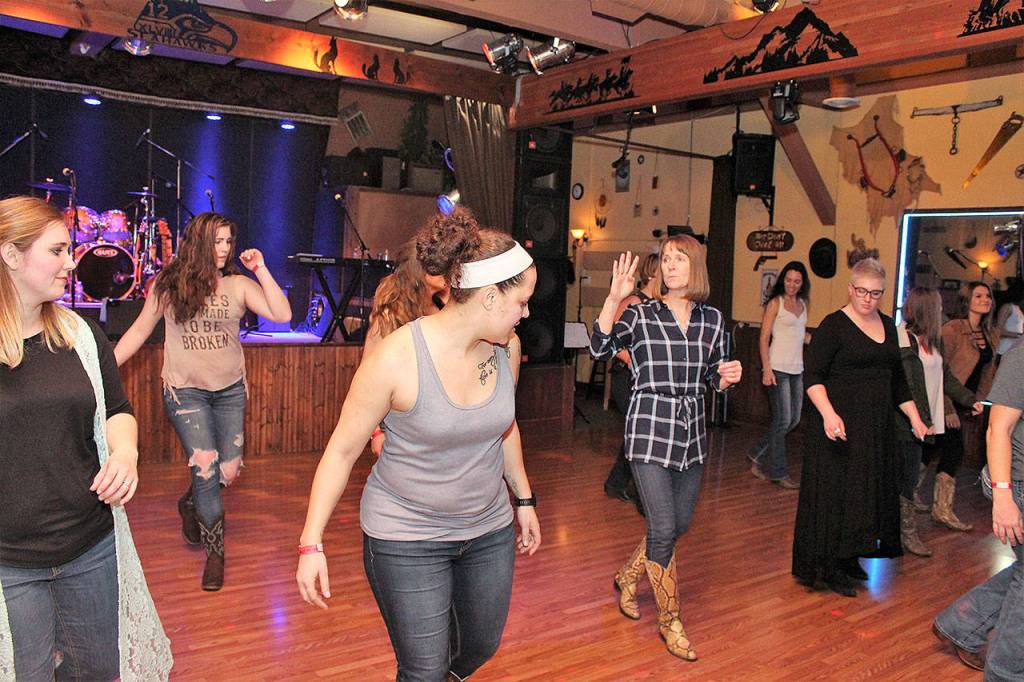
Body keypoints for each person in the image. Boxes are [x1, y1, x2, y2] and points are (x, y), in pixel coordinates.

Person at [296, 208, 541, 682]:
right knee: (424, 669)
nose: (526, 314)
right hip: (406, 536)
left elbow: (503, 428)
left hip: (488, 530)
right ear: (491, 297)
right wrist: (311, 543)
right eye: (522, 302)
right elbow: (341, 452)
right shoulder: (395, 359)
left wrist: (524, 499)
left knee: (480, 646)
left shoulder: (505, 348)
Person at [0, 196, 172, 680]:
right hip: (10, 562)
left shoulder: (80, 334)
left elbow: (117, 410)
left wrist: (126, 452)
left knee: (96, 669)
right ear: (11, 255)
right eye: (56, 251)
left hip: (90, 546)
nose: (71, 263)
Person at [114, 212, 291, 591]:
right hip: (185, 391)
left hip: (229, 391)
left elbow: (282, 314)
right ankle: (215, 554)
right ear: (198, 242)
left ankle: (191, 502)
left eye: (228, 241)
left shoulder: (238, 285)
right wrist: (104, 367)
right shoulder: (169, 284)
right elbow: (141, 330)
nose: (224, 249)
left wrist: (261, 269)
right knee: (206, 468)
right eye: (216, 241)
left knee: (229, 470)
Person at [591, 237, 742, 661]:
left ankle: (629, 575)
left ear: (696, 267)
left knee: (678, 524)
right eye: (667, 260)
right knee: (661, 526)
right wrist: (614, 298)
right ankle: (670, 620)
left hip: (691, 431)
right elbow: (599, 348)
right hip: (648, 426)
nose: (670, 266)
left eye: (680, 259)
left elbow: (714, 376)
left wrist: (727, 377)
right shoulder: (641, 314)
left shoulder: (713, 320)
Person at [792, 258, 929, 597]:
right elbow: (813, 377)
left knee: (865, 494)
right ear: (851, 289)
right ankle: (830, 565)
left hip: (875, 428)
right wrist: (828, 414)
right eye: (862, 291)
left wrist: (915, 418)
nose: (868, 299)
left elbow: (898, 381)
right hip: (838, 426)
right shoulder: (833, 325)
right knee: (838, 494)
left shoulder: (888, 326)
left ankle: (851, 555)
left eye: (876, 293)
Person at [932, 342, 1024, 679]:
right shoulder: (1021, 356)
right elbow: (997, 429)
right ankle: (1005, 672)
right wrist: (1003, 497)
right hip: (1015, 482)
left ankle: (962, 622)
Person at [896, 287, 982, 557]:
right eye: (938, 306)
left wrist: (970, 399)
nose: (942, 310)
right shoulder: (903, 339)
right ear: (927, 309)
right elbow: (905, 385)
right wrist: (918, 418)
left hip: (927, 419)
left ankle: (900, 532)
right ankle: (905, 533)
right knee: (905, 478)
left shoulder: (933, 341)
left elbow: (946, 378)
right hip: (906, 422)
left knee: (909, 476)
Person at [920, 281, 998, 532]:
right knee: (953, 450)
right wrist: (947, 409)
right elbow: (939, 371)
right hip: (944, 400)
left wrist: (979, 401)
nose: (985, 300)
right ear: (967, 300)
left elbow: (987, 373)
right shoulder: (953, 329)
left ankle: (908, 495)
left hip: (965, 400)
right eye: (978, 296)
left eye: (988, 296)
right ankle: (941, 510)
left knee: (931, 448)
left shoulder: (989, 333)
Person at [362, 239, 450, 456]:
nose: (448, 272)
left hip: (438, 420)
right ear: (421, 274)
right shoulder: (388, 318)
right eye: (439, 268)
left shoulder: (442, 306)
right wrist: (376, 433)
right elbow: (366, 378)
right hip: (400, 421)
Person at [604, 251, 661, 509]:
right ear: (653, 272)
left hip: (646, 380)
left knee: (639, 434)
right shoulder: (634, 301)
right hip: (626, 378)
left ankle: (618, 484)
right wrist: (635, 362)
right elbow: (613, 341)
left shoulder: (662, 305)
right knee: (640, 432)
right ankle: (637, 490)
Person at [749, 261, 810, 489]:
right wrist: (766, 369)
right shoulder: (776, 303)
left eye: (797, 281)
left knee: (792, 420)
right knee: (783, 420)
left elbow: (801, 334)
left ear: (802, 283)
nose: (792, 285)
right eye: (788, 280)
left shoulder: (802, 304)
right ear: (783, 280)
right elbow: (764, 338)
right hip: (777, 368)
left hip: (797, 369)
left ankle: (756, 452)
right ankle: (779, 472)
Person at [994, 278, 1024, 360]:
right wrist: (1018, 335)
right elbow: (998, 330)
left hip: (1015, 351)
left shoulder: (1018, 309)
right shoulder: (1007, 307)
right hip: (1004, 350)